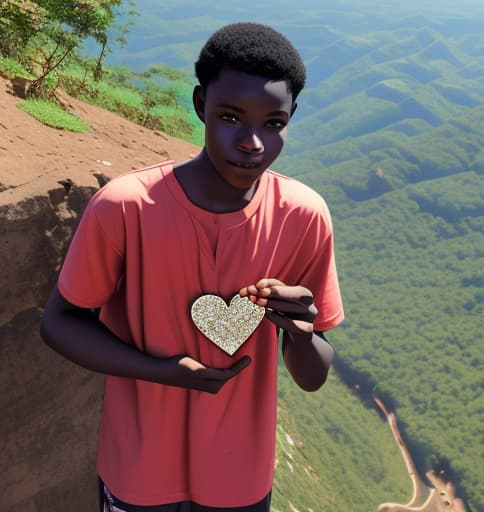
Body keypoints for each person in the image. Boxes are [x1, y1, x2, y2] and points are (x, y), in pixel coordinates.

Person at [40, 22, 344, 512]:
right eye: (230, 116)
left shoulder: (303, 216)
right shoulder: (126, 207)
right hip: (138, 469)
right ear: (201, 104)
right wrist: (161, 371)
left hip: (239, 479)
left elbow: (312, 376)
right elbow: (59, 323)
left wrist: (304, 332)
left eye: (273, 123)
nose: (252, 141)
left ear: (291, 118)